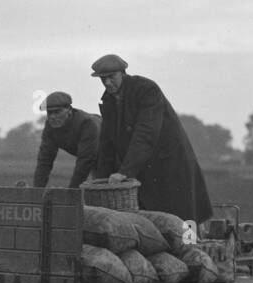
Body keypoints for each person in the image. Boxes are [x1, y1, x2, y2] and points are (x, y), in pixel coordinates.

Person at [90, 54, 213, 223]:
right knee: (153, 220)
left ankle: (191, 246)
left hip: (169, 163)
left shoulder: (146, 89)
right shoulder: (109, 100)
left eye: (112, 77)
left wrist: (124, 172)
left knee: (183, 216)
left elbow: (146, 133)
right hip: (143, 167)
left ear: (123, 74)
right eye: (103, 79)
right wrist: (101, 179)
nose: (107, 83)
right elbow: (107, 142)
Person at [33, 91, 99, 188]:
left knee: (105, 187)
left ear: (69, 110)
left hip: (113, 154)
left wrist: (71, 192)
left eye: (57, 112)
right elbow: (45, 160)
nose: (52, 117)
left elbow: (84, 162)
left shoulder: (87, 124)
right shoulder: (50, 126)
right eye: (49, 113)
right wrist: (37, 190)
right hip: (93, 158)